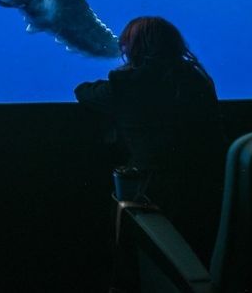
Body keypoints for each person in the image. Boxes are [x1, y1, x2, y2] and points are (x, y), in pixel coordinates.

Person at [75, 16, 226, 269]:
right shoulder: (197, 79)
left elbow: (84, 92)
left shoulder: (126, 82)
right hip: (208, 184)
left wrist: (122, 76)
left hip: (151, 189)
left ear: (133, 48)